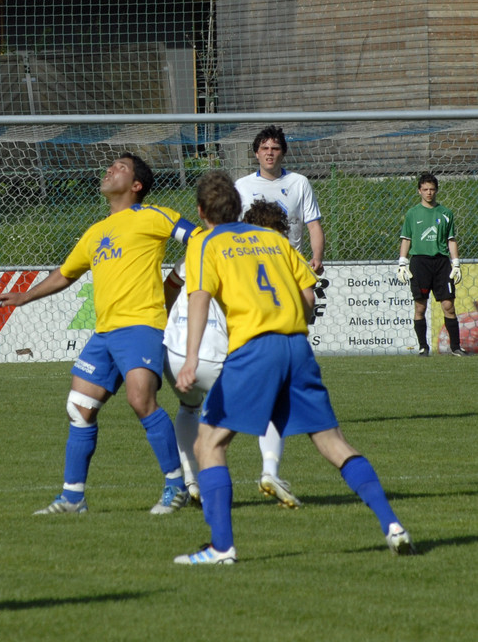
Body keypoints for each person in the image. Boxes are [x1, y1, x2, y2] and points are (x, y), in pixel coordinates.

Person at [173, 170, 414, 565]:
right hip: (297, 346)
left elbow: (198, 297)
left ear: (201, 211)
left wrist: (192, 358)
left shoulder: (205, 243)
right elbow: (308, 297)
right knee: (333, 442)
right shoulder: (273, 239)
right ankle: (392, 524)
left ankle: (220, 548)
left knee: (209, 443)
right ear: (238, 206)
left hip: (255, 348)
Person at [0, 152, 201, 516]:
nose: (110, 170)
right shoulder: (95, 232)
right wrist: (25, 296)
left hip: (141, 324)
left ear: (136, 185)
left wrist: (179, 276)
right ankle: (73, 497)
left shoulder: (153, 215)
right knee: (79, 407)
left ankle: (176, 486)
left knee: (141, 400)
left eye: (121, 167)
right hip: (104, 334)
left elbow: (200, 239)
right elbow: (65, 273)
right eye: (111, 166)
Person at [163, 200, 299, 507]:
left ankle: (191, 481)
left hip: (173, 352)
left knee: (188, 408)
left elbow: (170, 286)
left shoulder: (198, 245)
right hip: (213, 352)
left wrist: (171, 319)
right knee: (271, 404)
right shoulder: (255, 255)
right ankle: (269, 472)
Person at [235, 125, 325, 504]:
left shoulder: (298, 183)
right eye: (264, 148)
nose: (270, 153)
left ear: (283, 153)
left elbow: (313, 224)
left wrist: (316, 257)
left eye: (275, 148)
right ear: (256, 153)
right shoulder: (242, 186)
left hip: (290, 267)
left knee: (293, 330)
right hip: (254, 271)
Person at [397, 172, 467, 357]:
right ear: (419, 191)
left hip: (441, 263)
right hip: (420, 263)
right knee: (420, 306)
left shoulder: (446, 213)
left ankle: (455, 347)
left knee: (448, 305)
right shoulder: (412, 213)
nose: (429, 192)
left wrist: (456, 263)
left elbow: (451, 239)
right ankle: (423, 347)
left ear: (436, 191)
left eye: (432, 189)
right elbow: (406, 239)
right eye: (425, 189)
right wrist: (402, 263)